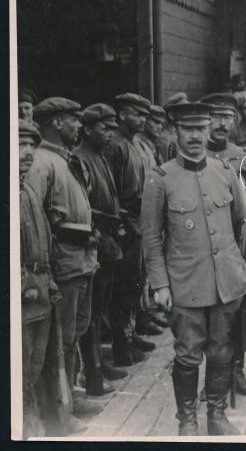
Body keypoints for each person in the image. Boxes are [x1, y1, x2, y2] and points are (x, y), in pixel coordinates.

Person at [141, 102, 246, 436]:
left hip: (227, 283)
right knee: (188, 354)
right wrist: (160, 284)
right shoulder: (160, 178)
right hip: (186, 284)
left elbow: (241, 226)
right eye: (188, 129)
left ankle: (216, 415)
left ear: (209, 131)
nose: (195, 135)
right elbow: (150, 238)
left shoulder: (224, 171)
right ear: (175, 132)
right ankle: (187, 419)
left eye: (201, 128)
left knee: (223, 351)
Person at [27, 97, 103, 420]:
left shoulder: (64, 159)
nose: (79, 126)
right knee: (63, 337)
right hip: (64, 261)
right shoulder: (41, 161)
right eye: (74, 120)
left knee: (75, 331)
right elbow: (37, 216)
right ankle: (59, 406)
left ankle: (70, 394)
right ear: (57, 123)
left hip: (82, 259)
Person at [199, 92, 246, 395]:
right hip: (203, 252)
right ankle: (213, 380)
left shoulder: (245, 158)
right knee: (208, 318)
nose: (221, 123)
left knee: (240, 313)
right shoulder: (194, 156)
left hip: (239, 252)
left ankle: (238, 371)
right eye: (215, 117)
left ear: (235, 121)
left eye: (227, 117)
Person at [73, 104, 128, 398]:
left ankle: (100, 365)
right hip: (96, 242)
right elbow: (85, 205)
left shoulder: (100, 156)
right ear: (88, 129)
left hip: (109, 242)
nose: (110, 133)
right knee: (92, 313)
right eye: (104, 128)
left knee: (102, 307)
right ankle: (91, 373)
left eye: (111, 128)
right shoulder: (79, 159)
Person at [105, 93, 158, 366]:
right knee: (123, 287)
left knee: (135, 284)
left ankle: (132, 331)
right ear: (123, 114)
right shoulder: (115, 145)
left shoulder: (137, 143)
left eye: (145, 116)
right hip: (127, 221)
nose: (142, 120)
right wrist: (124, 224)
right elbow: (111, 190)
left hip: (142, 219)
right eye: (137, 115)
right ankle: (120, 345)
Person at [20, 120, 60, 437]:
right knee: (19, 374)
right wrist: (23, 282)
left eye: (31, 145)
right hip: (22, 302)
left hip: (40, 296)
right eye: (20, 145)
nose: (28, 153)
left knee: (33, 369)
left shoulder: (28, 190)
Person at [156, 92, 188, 164]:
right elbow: (164, 169)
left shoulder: (178, 135)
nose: (188, 115)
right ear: (171, 116)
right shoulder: (165, 139)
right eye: (184, 112)